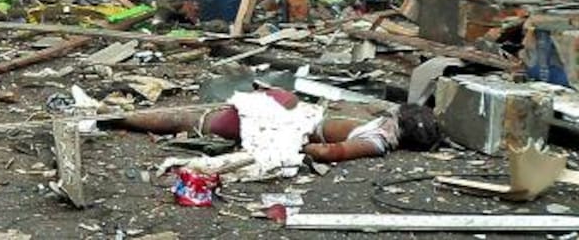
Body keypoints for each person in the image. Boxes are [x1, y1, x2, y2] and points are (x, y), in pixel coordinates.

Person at [112, 88, 440, 165]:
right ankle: (114, 117)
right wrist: (301, 148)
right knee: (192, 121)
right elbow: (328, 151)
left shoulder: (380, 125)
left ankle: (114, 114)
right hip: (282, 121)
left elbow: (330, 146)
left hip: (287, 105)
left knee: (196, 116)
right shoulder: (380, 139)